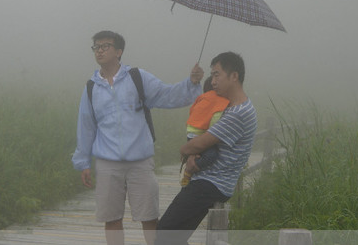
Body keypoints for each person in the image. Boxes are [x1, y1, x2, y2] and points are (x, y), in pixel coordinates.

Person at [72, 30, 204, 245]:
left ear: (119, 51)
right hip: (107, 163)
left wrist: (191, 83)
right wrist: (83, 162)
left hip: (140, 162)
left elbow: (166, 95)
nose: (100, 50)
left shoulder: (137, 78)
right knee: (111, 218)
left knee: (149, 216)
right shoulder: (91, 88)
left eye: (105, 46)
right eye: (96, 47)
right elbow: (86, 127)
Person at [156, 52, 257, 245]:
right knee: (171, 236)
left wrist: (185, 149)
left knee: (164, 233)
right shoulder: (229, 107)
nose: (213, 80)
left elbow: (200, 143)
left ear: (234, 76)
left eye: (217, 74)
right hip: (209, 181)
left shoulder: (239, 112)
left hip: (211, 183)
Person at [179, 76, 230, 186]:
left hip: (190, 132)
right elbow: (215, 120)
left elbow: (192, 110)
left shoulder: (202, 98)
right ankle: (190, 169)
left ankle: (190, 156)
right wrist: (213, 133)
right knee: (211, 154)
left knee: (196, 150)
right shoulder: (219, 100)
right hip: (201, 134)